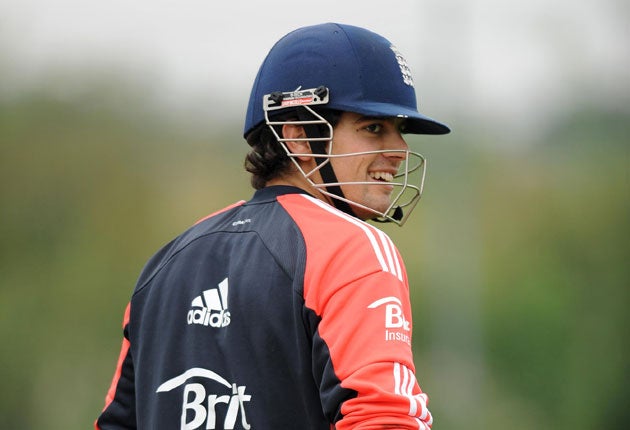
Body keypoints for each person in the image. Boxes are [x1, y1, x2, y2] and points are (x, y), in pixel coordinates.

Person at [96, 22, 450, 430]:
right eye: (374, 128)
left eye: (400, 131)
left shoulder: (167, 261)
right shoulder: (354, 250)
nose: (401, 151)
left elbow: (116, 423)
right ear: (298, 137)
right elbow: (385, 420)